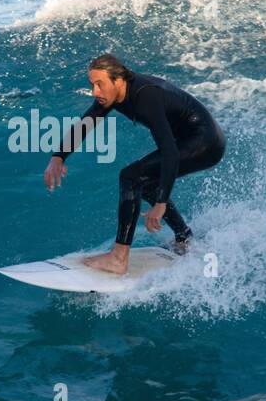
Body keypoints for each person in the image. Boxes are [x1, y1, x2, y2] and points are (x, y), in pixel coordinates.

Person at [44, 54, 225, 275]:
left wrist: (161, 203)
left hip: (205, 142)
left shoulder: (145, 96)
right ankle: (184, 238)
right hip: (191, 139)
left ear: (118, 81)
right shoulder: (113, 95)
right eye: (93, 85)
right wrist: (59, 157)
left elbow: (170, 153)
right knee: (144, 181)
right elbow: (86, 123)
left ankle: (119, 259)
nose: (95, 92)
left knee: (131, 176)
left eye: (100, 84)